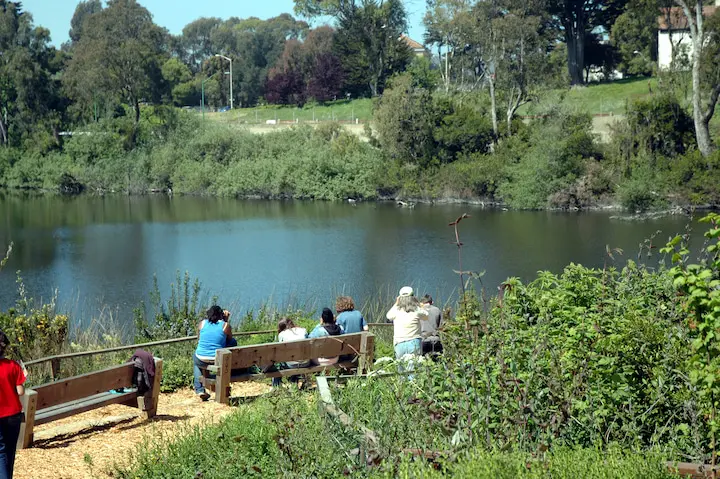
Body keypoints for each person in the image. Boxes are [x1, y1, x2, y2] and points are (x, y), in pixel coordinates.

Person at [193, 306, 236, 401]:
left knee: (196, 360)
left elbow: (199, 339)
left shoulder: (202, 323)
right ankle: (205, 385)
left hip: (201, 358)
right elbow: (229, 341)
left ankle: (199, 389)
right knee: (233, 342)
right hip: (218, 359)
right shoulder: (225, 326)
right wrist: (225, 320)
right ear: (221, 314)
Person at [0, 330, 25, 479]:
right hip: (14, 415)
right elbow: (20, 391)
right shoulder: (13, 366)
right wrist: (23, 376)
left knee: (1, 452)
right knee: (10, 451)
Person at [386, 286, 428, 361]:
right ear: (412, 297)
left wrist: (396, 303)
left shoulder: (396, 310)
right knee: (414, 368)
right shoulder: (417, 310)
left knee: (401, 369)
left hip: (399, 342)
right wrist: (417, 304)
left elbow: (388, 316)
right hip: (414, 341)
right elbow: (426, 316)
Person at [272, 318, 310, 387]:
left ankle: (276, 385)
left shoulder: (282, 334)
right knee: (298, 356)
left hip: (291, 364)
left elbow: (280, 350)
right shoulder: (303, 330)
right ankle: (295, 380)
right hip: (306, 363)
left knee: (279, 363)